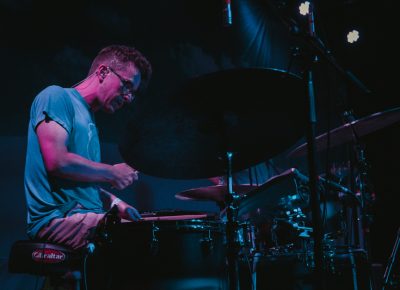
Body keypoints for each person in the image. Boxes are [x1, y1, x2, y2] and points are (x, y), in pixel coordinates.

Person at [24, 45, 152, 251]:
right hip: (57, 221)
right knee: (138, 242)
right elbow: (57, 161)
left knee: (149, 229)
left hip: (85, 217)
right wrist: (111, 172)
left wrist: (116, 203)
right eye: (126, 86)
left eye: (133, 93)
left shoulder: (90, 121)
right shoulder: (57, 97)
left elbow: (81, 185)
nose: (128, 97)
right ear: (102, 72)